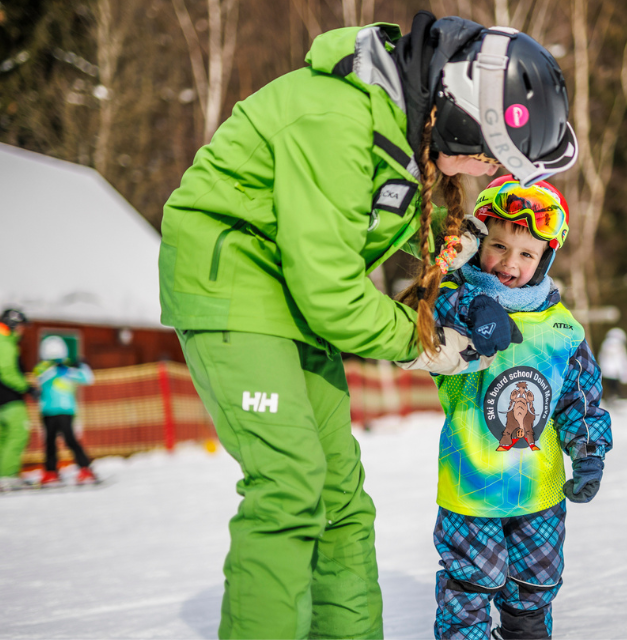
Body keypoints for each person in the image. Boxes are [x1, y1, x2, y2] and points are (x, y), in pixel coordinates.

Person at [159, 11, 578, 639]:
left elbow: (385, 238)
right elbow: (330, 289)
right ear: (460, 118)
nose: (492, 173)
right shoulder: (336, 119)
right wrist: (426, 344)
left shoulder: (405, 136)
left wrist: (464, 272)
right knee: (289, 485)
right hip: (236, 291)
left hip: (296, 306)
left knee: (342, 502)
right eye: (492, 159)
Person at [428, 175, 612, 640]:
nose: (509, 263)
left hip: (539, 492)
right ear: (479, 244)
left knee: (534, 587)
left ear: (545, 258)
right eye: (497, 247)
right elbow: (427, 306)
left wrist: (589, 451)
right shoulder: (452, 301)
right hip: (471, 486)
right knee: (469, 587)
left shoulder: (561, 327)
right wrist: (475, 306)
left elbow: (580, 395)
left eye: (526, 254)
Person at [0, 309, 35, 491]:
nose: (22, 330)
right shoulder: (4, 344)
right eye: (20, 326)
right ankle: (7, 476)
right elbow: (7, 372)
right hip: (10, 398)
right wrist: (27, 387)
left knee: (3, 437)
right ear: (12, 325)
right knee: (18, 434)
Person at [33, 335, 97, 485]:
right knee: (49, 442)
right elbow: (41, 378)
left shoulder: (68, 370)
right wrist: (57, 369)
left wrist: (82, 365)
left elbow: (88, 378)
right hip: (48, 411)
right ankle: (50, 471)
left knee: (70, 440)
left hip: (66, 410)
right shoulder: (43, 368)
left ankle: (85, 468)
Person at [598, 327, 627, 401]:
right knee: (614, 386)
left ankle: (611, 397)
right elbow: (622, 360)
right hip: (615, 371)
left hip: (606, 370)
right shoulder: (620, 346)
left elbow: (600, 357)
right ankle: (613, 397)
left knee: (610, 386)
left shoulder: (605, 344)